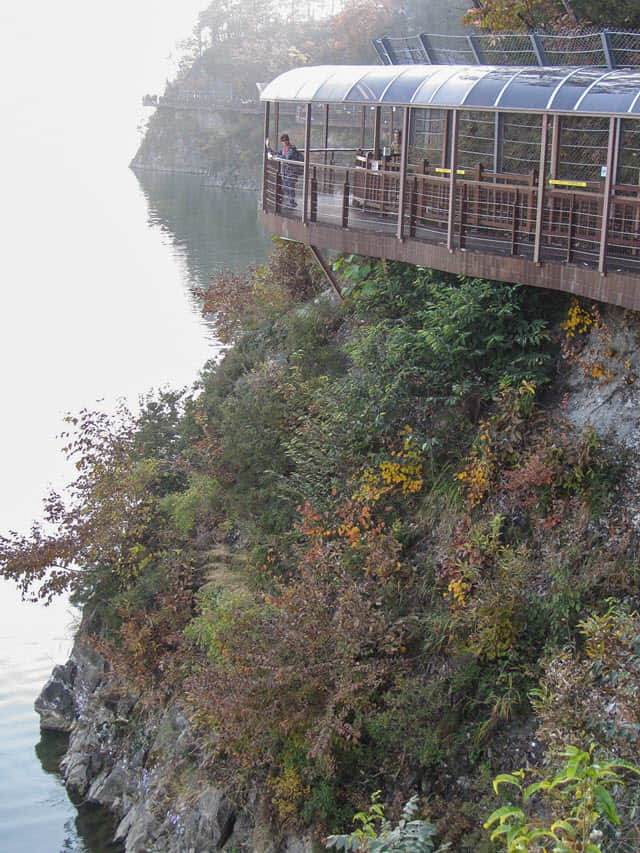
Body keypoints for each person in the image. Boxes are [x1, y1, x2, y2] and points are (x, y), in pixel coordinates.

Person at [266, 133, 302, 208]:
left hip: (292, 171)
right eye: (283, 141)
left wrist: (277, 156)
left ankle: (291, 202)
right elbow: (275, 153)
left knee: (290, 186)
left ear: (288, 140)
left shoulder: (292, 149)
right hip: (286, 171)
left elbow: (286, 157)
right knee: (285, 186)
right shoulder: (283, 149)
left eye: (285, 140)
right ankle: (290, 202)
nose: (284, 142)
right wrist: (268, 147)